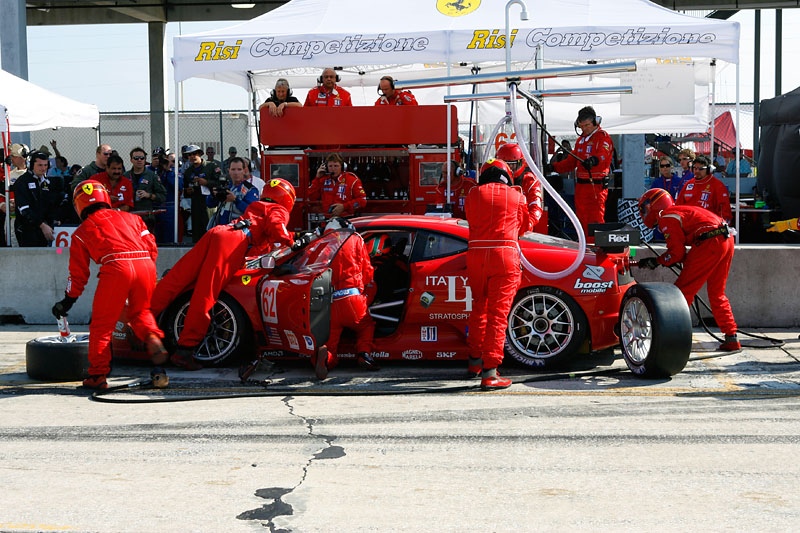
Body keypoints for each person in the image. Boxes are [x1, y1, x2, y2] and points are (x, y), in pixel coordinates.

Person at [150, 178, 298, 370]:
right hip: (233, 242)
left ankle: (141, 324)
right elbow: (277, 227)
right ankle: (185, 350)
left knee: (177, 278)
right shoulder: (279, 210)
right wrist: (292, 244)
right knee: (206, 293)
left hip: (219, 232)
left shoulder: (257, 205)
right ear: (288, 200)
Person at [51, 180, 169, 389]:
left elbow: (78, 274)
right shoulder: (132, 218)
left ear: (79, 204)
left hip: (116, 268)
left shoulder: (81, 233)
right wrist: (150, 272)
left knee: (102, 326)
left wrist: (68, 300)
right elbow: (151, 246)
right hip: (145, 265)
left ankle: (97, 376)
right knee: (141, 312)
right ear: (104, 197)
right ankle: (152, 337)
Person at [637, 188, 739, 351]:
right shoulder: (677, 211)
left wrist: (656, 261)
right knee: (717, 293)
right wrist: (662, 260)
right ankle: (731, 337)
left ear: (653, 205)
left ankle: (674, 338)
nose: (643, 213)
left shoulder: (666, 217)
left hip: (710, 242)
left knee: (682, 293)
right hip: (726, 240)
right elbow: (681, 253)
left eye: (644, 208)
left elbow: (676, 254)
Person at [464, 159, 529, 391]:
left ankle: (474, 362)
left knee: (478, 308)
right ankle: (490, 372)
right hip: (504, 256)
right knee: (498, 316)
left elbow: (470, 219)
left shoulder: (472, 195)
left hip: (476, 256)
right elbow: (524, 226)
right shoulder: (517, 196)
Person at [313, 217, 378, 380]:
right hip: (352, 298)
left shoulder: (321, 242)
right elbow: (367, 271)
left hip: (329, 303)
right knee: (366, 325)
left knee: (331, 341)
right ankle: (364, 354)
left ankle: (326, 359)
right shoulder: (355, 239)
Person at [550, 106, 614, 238]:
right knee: (581, 220)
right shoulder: (581, 140)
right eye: (581, 126)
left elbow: (603, 155)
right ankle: (585, 248)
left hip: (595, 186)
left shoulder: (602, 138)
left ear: (595, 122)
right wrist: (553, 167)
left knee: (595, 220)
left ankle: (596, 248)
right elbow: (571, 161)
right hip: (581, 187)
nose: (584, 129)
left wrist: (593, 161)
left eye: (587, 125)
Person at [13, 151, 64, 247]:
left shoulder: (47, 182)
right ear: (32, 165)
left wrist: (54, 220)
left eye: (45, 165)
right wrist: (42, 225)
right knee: (32, 258)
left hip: (45, 229)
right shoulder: (22, 182)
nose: (43, 168)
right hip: (26, 229)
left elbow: (50, 204)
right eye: (40, 165)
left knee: (53, 254)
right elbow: (24, 210)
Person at [496, 142, 544, 231]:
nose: (509, 168)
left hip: (522, 229)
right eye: (505, 164)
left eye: (512, 165)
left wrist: (528, 224)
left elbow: (536, 206)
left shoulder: (529, 181)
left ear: (521, 163)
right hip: (500, 227)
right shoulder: (494, 179)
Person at [182, 144, 223, 243]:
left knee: (210, 229)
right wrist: (188, 191)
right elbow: (186, 189)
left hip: (210, 204)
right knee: (196, 232)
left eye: (194, 154)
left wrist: (207, 183)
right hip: (195, 204)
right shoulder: (188, 172)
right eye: (189, 155)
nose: (192, 156)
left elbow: (221, 183)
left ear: (200, 154)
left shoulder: (211, 166)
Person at [308, 153, 367, 219]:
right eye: (330, 166)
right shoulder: (322, 180)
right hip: (328, 220)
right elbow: (311, 197)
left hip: (347, 219)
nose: (333, 169)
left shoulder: (352, 180)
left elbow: (362, 201)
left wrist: (344, 207)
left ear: (342, 167)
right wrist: (317, 178)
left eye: (336, 166)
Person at [676, 155, 732, 223]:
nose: (697, 171)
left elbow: (725, 211)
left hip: (708, 225)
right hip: (688, 225)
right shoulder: (688, 184)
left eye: (701, 169)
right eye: (695, 168)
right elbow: (678, 206)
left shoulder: (717, 186)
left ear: (709, 170)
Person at [206, 156, 258, 228]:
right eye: (233, 169)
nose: (236, 173)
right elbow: (210, 204)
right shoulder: (225, 186)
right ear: (229, 171)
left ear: (244, 171)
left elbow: (252, 212)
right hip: (221, 228)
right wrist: (213, 195)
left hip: (239, 230)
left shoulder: (250, 189)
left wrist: (235, 200)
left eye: (239, 169)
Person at [126, 147, 166, 234]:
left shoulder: (152, 176)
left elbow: (163, 196)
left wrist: (149, 195)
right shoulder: (125, 176)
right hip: (130, 216)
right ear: (131, 160)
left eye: (142, 158)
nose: (139, 160)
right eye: (136, 158)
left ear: (145, 160)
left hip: (147, 217)